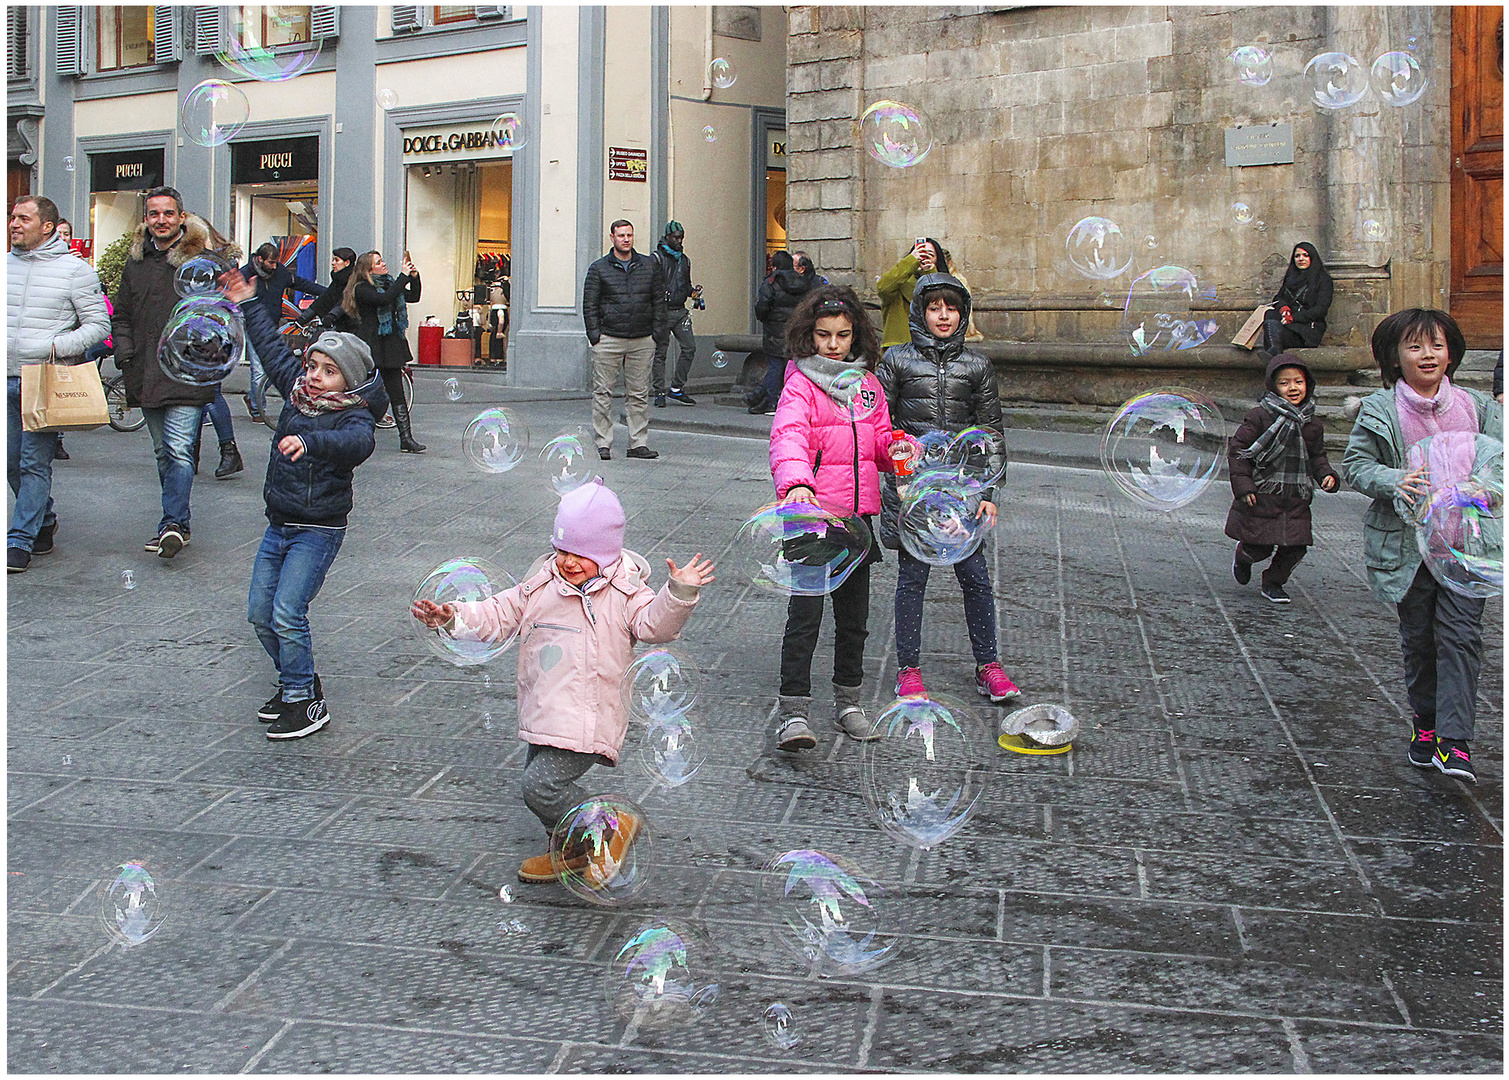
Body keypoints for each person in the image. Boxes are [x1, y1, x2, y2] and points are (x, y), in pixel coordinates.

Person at [411, 481, 714, 882]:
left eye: (582, 555)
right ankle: (573, 852)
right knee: (543, 789)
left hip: (590, 713)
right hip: (545, 707)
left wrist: (678, 592)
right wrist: (452, 617)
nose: (569, 562)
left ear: (607, 554)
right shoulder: (541, 584)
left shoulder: (626, 592)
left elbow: (654, 624)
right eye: (562, 550)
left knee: (539, 787)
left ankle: (611, 827)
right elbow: (498, 613)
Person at [222, 269, 387, 740]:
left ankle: (303, 701)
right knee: (260, 613)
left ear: (348, 380)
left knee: (287, 612)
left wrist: (311, 442)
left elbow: (357, 445)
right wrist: (250, 303)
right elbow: (273, 351)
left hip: (319, 529)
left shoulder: (354, 416)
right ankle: (298, 681)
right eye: (313, 366)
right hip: (279, 524)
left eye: (328, 371)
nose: (314, 376)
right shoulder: (298, 395)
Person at [1343, 309, 1502, 784]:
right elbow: (1357, 464)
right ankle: (1426, 724)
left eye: (1436, 344)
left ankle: (1456, 742)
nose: (1427, 354)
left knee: (1461, 638)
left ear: (1451, 350)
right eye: (1414, 346)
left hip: (1467, 544)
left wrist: (1485, 487)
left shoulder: (1478, 406)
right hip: (1411, 551)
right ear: (1395, 357)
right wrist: (1394, 480)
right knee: (1420, 640)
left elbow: (1501, 463)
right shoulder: (1381, 409)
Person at [874, 273, 1020, 705]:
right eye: (934, 306)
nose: (943, 315)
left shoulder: (977, 366)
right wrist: (901, 479)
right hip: (913, 490)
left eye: (951, 307)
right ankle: (908, 670)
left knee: (975, 578)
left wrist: (989, 494)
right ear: (920, 311)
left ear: (963, 313)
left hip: (962, 489)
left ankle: (988, 665)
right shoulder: (897, 361)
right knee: (912, 579)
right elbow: (882, 427)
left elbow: (990, 431)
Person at [767, 286, 901, 751]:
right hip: (812, 514)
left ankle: (848, 702)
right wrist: (797, 483)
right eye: (823, 335)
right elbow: (788, 437)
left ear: (855, 337)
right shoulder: (800, 384)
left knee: (854, 618)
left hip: (857, 519)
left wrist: (898, 449)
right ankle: (794, 712)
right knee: (805, 616)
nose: (833, 344)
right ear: (809, 335)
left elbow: (879, 442)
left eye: (842, 335)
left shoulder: (868, 386)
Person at [111, 186, 222, 558]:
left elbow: (218, 316)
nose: (161, 220)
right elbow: (122, 314)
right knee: (163, 451)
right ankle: (179, 521)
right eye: (154, 214)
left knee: (178, 449)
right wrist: (126, 356)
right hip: (145, 371)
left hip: (187, 374)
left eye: (168, 213)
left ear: (181, 217)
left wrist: (205, 356)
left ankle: (172, 523)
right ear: (146, 219)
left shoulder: (202, 262)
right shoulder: (136, 261)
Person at [6, 195, 110, 572]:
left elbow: (99, 326)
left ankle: (18, 540)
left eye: (23, 218)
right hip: (6, 379)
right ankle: (44, 520)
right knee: (10, 465)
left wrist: (53, 347)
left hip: (42, 379)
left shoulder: (74, 270)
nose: (14, 224)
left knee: (33, 463)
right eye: (12, 217)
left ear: (47, 226)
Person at [1225, 353, 1341, 604]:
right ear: (1273, 387)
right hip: (1263, 495)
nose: (1293, 388)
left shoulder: (1311, 423)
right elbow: (1239, 451)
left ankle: (1273, 582)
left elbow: (1317, 456)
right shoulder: (1260, 416)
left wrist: (1326, 475)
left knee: (1296, 546)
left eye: (1298, 382)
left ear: (1308, 384)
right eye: (1285, 383)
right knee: (1260, 546)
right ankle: (1244, 556)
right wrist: (1244, 486)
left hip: (1296, 497)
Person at [583, 220, 667, 460]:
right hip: (609, 338)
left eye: (629, 235)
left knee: (639, 394)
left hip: (642, 339)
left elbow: (658, 302)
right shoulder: (599, 268)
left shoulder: (649, 266)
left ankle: (637, 443)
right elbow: (590, 304)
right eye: (621, 235)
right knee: (603, 392)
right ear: (612, 238)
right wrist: (595, 335)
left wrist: (656, 334)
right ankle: (603, 443)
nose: (626, 239)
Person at [343, 250, 425, 453]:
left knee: (397, 392)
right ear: (368, 269)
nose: (383, 264)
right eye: (379, 262)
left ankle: (406, 438)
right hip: (371, 345)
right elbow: (384, 299)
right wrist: (403, 276)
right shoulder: (362, 289)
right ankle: (351, 433)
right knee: (361, 391)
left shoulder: (389, 284)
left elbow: (413, 296)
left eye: (382, 260)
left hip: (390, 345)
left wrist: (414, 278)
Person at [750, 251, 816, 415]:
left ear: (775, 266)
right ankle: (789, 400)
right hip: (795, 328)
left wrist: (764, 318)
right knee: (793, 366)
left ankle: (772, 402)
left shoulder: (771, 282)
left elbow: (762, 306)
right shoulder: (802, 282)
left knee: (775, 365)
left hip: (774, 328)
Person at [650, 221, 699, 408]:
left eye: (681, 237)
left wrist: (694, 293)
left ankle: (676, 388)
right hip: (662, 312)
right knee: (660, 352)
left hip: (680, 311)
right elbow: (649, 286)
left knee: (690, 347)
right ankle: (659, 391)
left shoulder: (685, 260)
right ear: (667, 237)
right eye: (676, 237)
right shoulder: (656, 259)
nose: (680, 241)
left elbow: (686, 285)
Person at [1259, 242, 1333, 359]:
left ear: (1312, 258)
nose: (1301, 259)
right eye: (1297, 256)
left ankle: (1273, 353)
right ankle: (1274, 351)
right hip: (1287, 325)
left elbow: (1320, 310)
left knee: (1274, 327)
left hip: (1306, 330)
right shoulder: (1291, 277)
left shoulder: (1323, 280)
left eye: (1305, 255)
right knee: (1270, 315)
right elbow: (1279, 298)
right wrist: (1284, 310)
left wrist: (1293, 318)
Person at [878, 238, 948, 349]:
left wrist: (930, 272)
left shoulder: (945, 282)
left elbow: (939, 301)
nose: (924, 257)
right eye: (920, 252)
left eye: (930, 254)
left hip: (931, 347)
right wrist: (911, 261)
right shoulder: (896, 282)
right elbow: (883, 288)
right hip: (898, 349)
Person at [295, 246, 359, 333]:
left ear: (347, 263)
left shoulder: (354, 280)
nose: (333, 263)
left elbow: (345, 301)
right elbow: (323, 300)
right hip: (336, 326)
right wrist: (303, 318)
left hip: (350, 327)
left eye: (336, 260)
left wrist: (332, 315)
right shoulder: (338, 280)